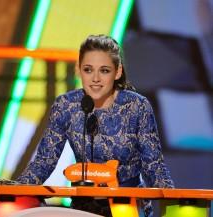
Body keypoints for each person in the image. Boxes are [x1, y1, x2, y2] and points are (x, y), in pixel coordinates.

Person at [16, 34, 174, 217]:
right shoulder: (66, 106)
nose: (96, 78)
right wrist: (13, 190)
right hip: (84, 208)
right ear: (79, 70)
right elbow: (44, 162)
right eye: (88, 70)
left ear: (118, 72)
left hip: (127, 207)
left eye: (104, 70)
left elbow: (153, 165)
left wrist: (173, 198)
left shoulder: (137, 106)